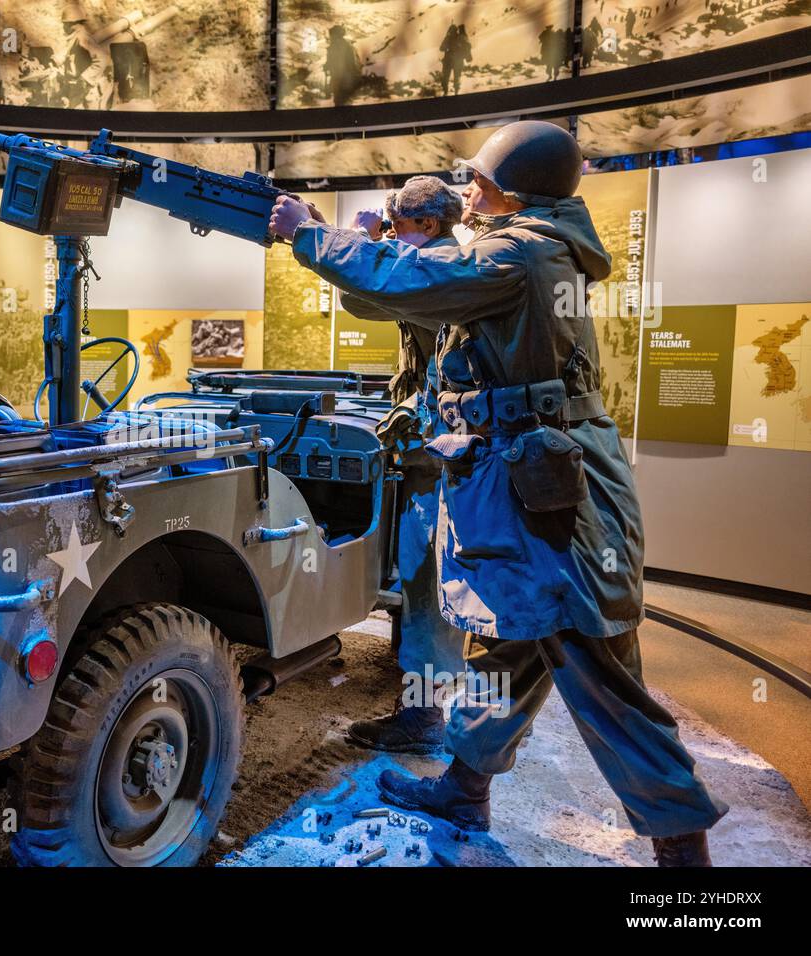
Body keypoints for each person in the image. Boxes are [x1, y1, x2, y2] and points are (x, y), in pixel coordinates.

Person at [268, 121, 727, 867]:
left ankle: (684, 856)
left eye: (478, 181)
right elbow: (404, 296)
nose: (466, 191)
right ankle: (465, 783)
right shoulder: (538, 246)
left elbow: (411, 282)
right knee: (506, 648)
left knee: (599, 671)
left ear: (515, 191)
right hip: (529, 486)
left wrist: (311, 235)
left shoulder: (516, 251)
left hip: (550, 505)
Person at [342, 178, 468, 755]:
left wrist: (359, 237)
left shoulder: (437, 268)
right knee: (427, 575)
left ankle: (422, 717)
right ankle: (426, 702)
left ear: (429, 226)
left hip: (441, 456)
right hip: (441, 449)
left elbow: (356, 294)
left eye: (399, 229)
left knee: (426, 578)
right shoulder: (449, 262)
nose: (393, 238)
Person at [57, 2, 112, 109]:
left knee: (87, 123)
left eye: (65, 23)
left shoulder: (82, 38)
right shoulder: (75, 38)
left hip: (84, 93)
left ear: (73, 24)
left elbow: (102, 58)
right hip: (76, 89)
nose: (64, 26)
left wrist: (85, 78)